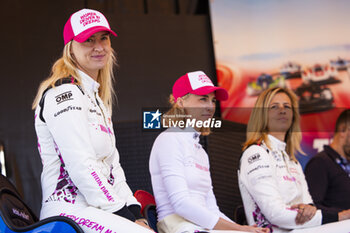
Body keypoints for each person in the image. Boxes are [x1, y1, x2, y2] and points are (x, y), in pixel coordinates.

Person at [32, 8, 153, 233]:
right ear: (70, 49)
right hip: (67, 211)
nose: (98, 47)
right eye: (88, 40)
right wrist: (122, 214)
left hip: (98, 208)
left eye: (103, 38)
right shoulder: (63, 94)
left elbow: (113, 167)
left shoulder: (96, 98)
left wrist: (134, 211)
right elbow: (82, 165)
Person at [149, 71, 269, 233]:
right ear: (181, 102)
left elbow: (212, 209)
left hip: (202, 225)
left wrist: (242, 230)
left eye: (212, 100)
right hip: (178, 226)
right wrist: (239, 229)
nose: (210, 106)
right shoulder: (169, 139)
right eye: (203, 99)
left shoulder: (200, 151)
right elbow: (181, 204)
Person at [238, 87, 350, 233]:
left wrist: (309, 209)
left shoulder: (292, 160)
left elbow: (309, 205)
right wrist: (341, 216)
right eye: (274, 107)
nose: (282, 110)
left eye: (287, 106)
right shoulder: (256, 153)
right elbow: (276, 214)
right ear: (262, 114)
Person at [305, 109, 350, 213]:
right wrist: (344, 214)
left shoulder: (345, 163)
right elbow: (311, 208)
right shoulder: (319, 163)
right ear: (343, 130)